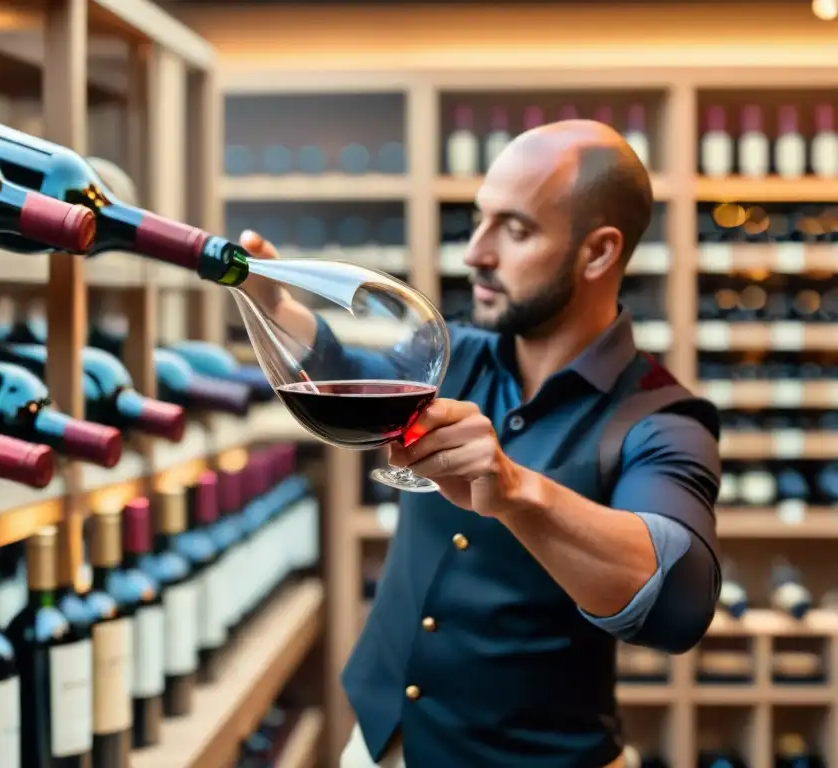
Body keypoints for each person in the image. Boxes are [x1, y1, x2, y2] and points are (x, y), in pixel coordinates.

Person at [239, 118, 722, 767]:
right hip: (381, 746)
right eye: (479, 220)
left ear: (599, 252)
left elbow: (679, 600)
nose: (475, 253)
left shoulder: (661, 415)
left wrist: (515, 488)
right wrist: (275, 302)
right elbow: (348, 375)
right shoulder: (455, 353)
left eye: (515, 229)